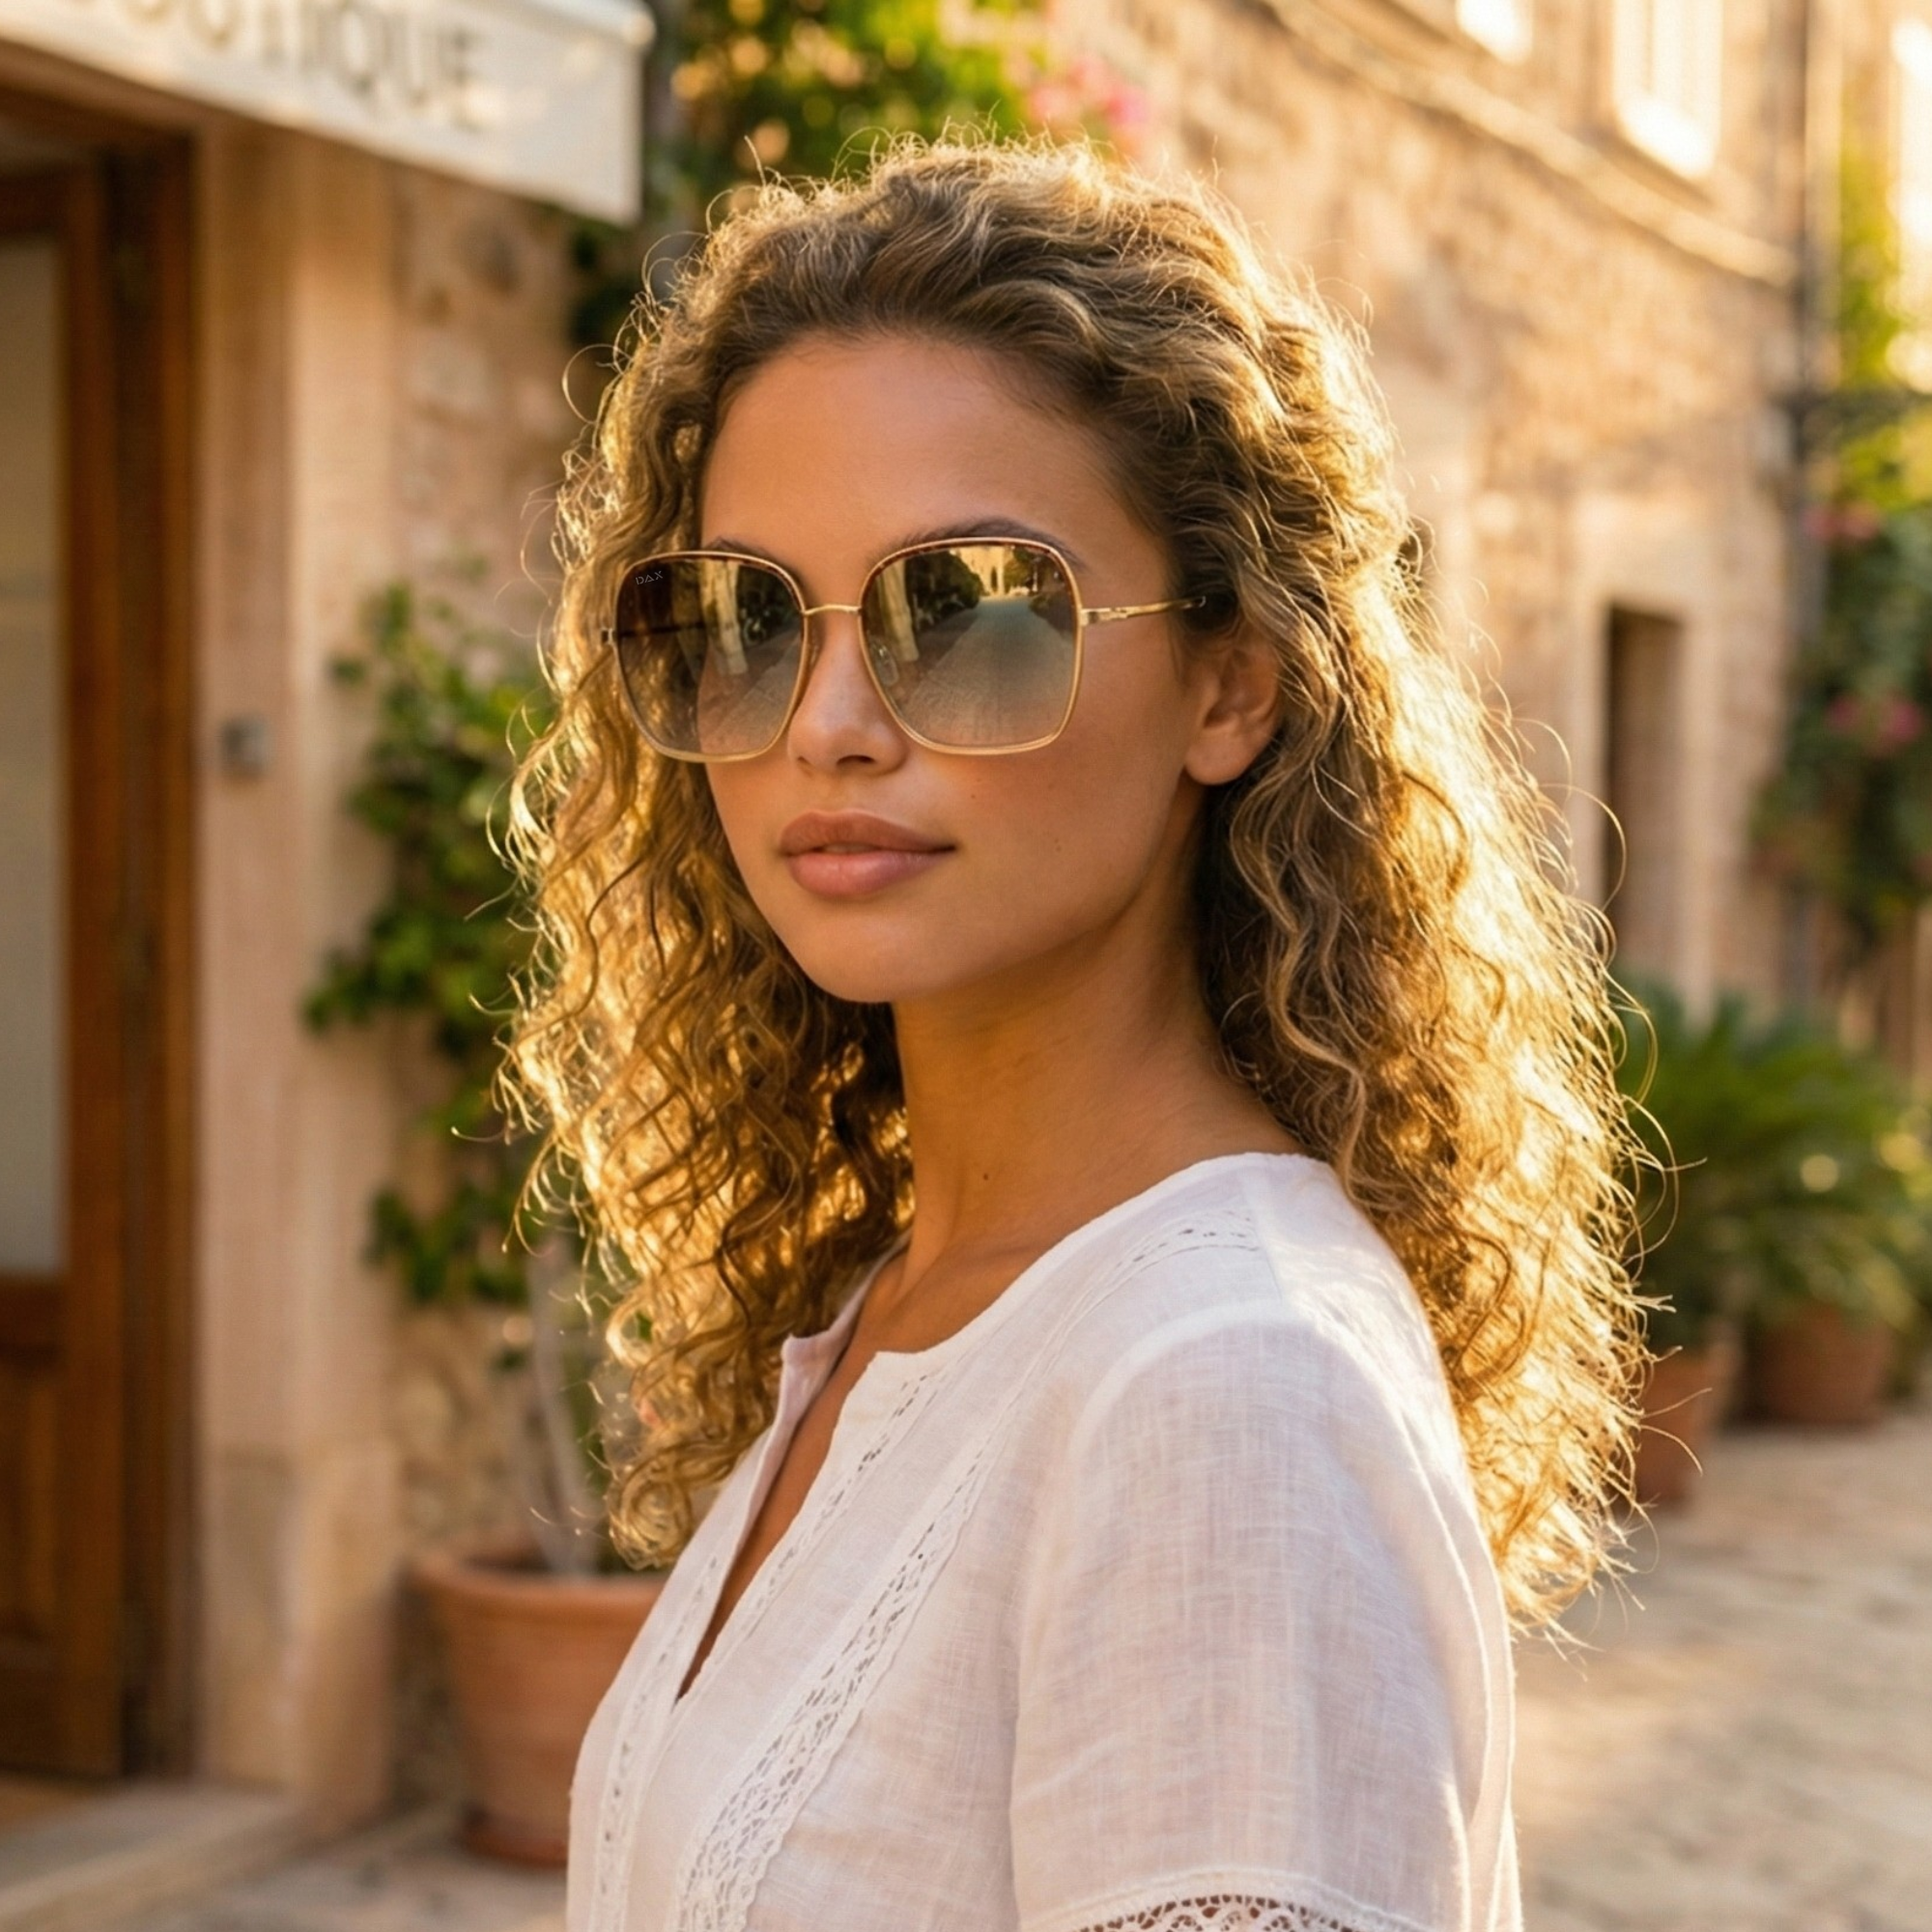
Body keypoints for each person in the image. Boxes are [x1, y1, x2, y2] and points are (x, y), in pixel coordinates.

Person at [510, 136, 1640, 1932]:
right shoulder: (917, 1302)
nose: (828, 724)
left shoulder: (1222, 1386)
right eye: (738, 619)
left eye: (965, 611)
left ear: (1227, 684)